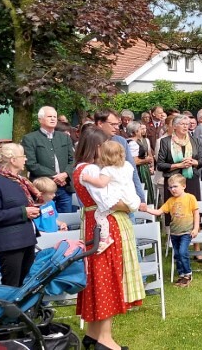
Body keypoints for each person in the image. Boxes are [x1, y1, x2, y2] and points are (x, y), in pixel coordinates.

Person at [73, 126, 143, 350]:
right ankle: (105, 339)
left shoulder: (81, 168)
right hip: (105, 226)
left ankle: (93, 333)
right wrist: (132, 205)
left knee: (97, 277)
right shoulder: (92, 169)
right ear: (97, 147)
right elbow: (108, 201)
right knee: (107, 277)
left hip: (93, 222)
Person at [0, 143, 40, 287]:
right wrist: (23, 212)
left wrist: (33, 211)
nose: (25, 159)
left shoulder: (19, 180)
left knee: (26, 284)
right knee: (11, 285)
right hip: (9, 242)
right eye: (23, 156)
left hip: (26, 238)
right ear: (13, 160)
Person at [80, 141, 141, 252]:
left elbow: (101, 183)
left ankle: (105, 237)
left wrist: (88, 178)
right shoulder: (127, 165)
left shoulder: (107, 170)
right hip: (131, 197)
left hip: (118, 198)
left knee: (99, 214)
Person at [145, 174, 200, 287]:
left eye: (175, 186)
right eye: (170, 187)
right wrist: (146, 209)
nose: (172, 189)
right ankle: (181, 274)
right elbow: (159, 212)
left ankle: (188, 274)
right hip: (174, 233)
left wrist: (195, 228)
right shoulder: (170, 201)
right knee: (177, 255)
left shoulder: (190, 198)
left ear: (183, 186)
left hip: (186, 232)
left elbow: (196, 214)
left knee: (183, 252)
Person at [22, 106, 76, 213]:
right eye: (49, 116)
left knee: (66, 218)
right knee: (46, 217)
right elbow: (31, 164)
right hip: (43, 189)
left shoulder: (64, 137)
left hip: (64, 187)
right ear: (40, 119)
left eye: (54, 117)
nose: (53, 119)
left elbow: (73, 160)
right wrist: (55, 176)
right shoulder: (30, 138)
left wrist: (65, 174)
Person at [156, 115, 202, 202]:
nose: (185, 126)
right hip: (173, 181)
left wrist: (193, 162)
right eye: (182, 124)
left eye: (187, 124)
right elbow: (160, 165)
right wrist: (179, 165)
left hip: (191, 180)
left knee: (191, 207)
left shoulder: (194, 140)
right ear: (174, 126)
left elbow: (201, 161)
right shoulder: (166, 141)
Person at [127, 121, 157, 205]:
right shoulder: (132, 143)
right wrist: (146, 160)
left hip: (143, 168)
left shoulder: (134, 141)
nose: (142, 131)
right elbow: (134, 161)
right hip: (139, 170)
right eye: (140, 129)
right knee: (143, 188)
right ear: (135, 131)